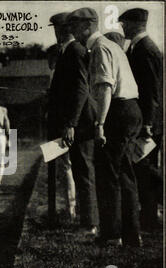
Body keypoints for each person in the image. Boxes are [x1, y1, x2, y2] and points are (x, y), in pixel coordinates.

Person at [68, 8, 143, 247]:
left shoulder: (100, 48)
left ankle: (112, 235)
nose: (72, 30)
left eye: (75, 25)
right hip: (131, 109)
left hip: (117, 112)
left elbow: (105, 89)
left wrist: (100, 123)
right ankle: (131, 235)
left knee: (108, 176)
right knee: (124, 174)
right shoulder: (111, 46)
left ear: (88, 25)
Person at [49, 12, 99, 234]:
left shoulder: (75, 50)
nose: (56, 31)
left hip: (80, 122)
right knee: (78, 170)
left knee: (84, 171)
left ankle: (90, 224)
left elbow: (81, 88)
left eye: (57, 27)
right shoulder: (66, 51)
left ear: (64, 29)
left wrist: (71, 123)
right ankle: (85, 220)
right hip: (72, 122)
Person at [119, 8, 164, 231]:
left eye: (124, 23)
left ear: (136, 23)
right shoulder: (139, 48)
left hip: (149, 122)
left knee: (146, 169)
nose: (122, 27)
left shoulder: (145, 49)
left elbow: (152, 91)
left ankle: (151, 217)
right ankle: (149, 217)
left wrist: (148, 122)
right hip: (147, 120)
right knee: (143, 169)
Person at [46, 13, 77, 223]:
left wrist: (67, 123)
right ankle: (66, 208)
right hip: (60, 122)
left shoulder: (69, 56)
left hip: (65, 124)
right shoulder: (59, 65)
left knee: (67, 167)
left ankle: (71, 209)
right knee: (61, 167)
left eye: (57, 28)